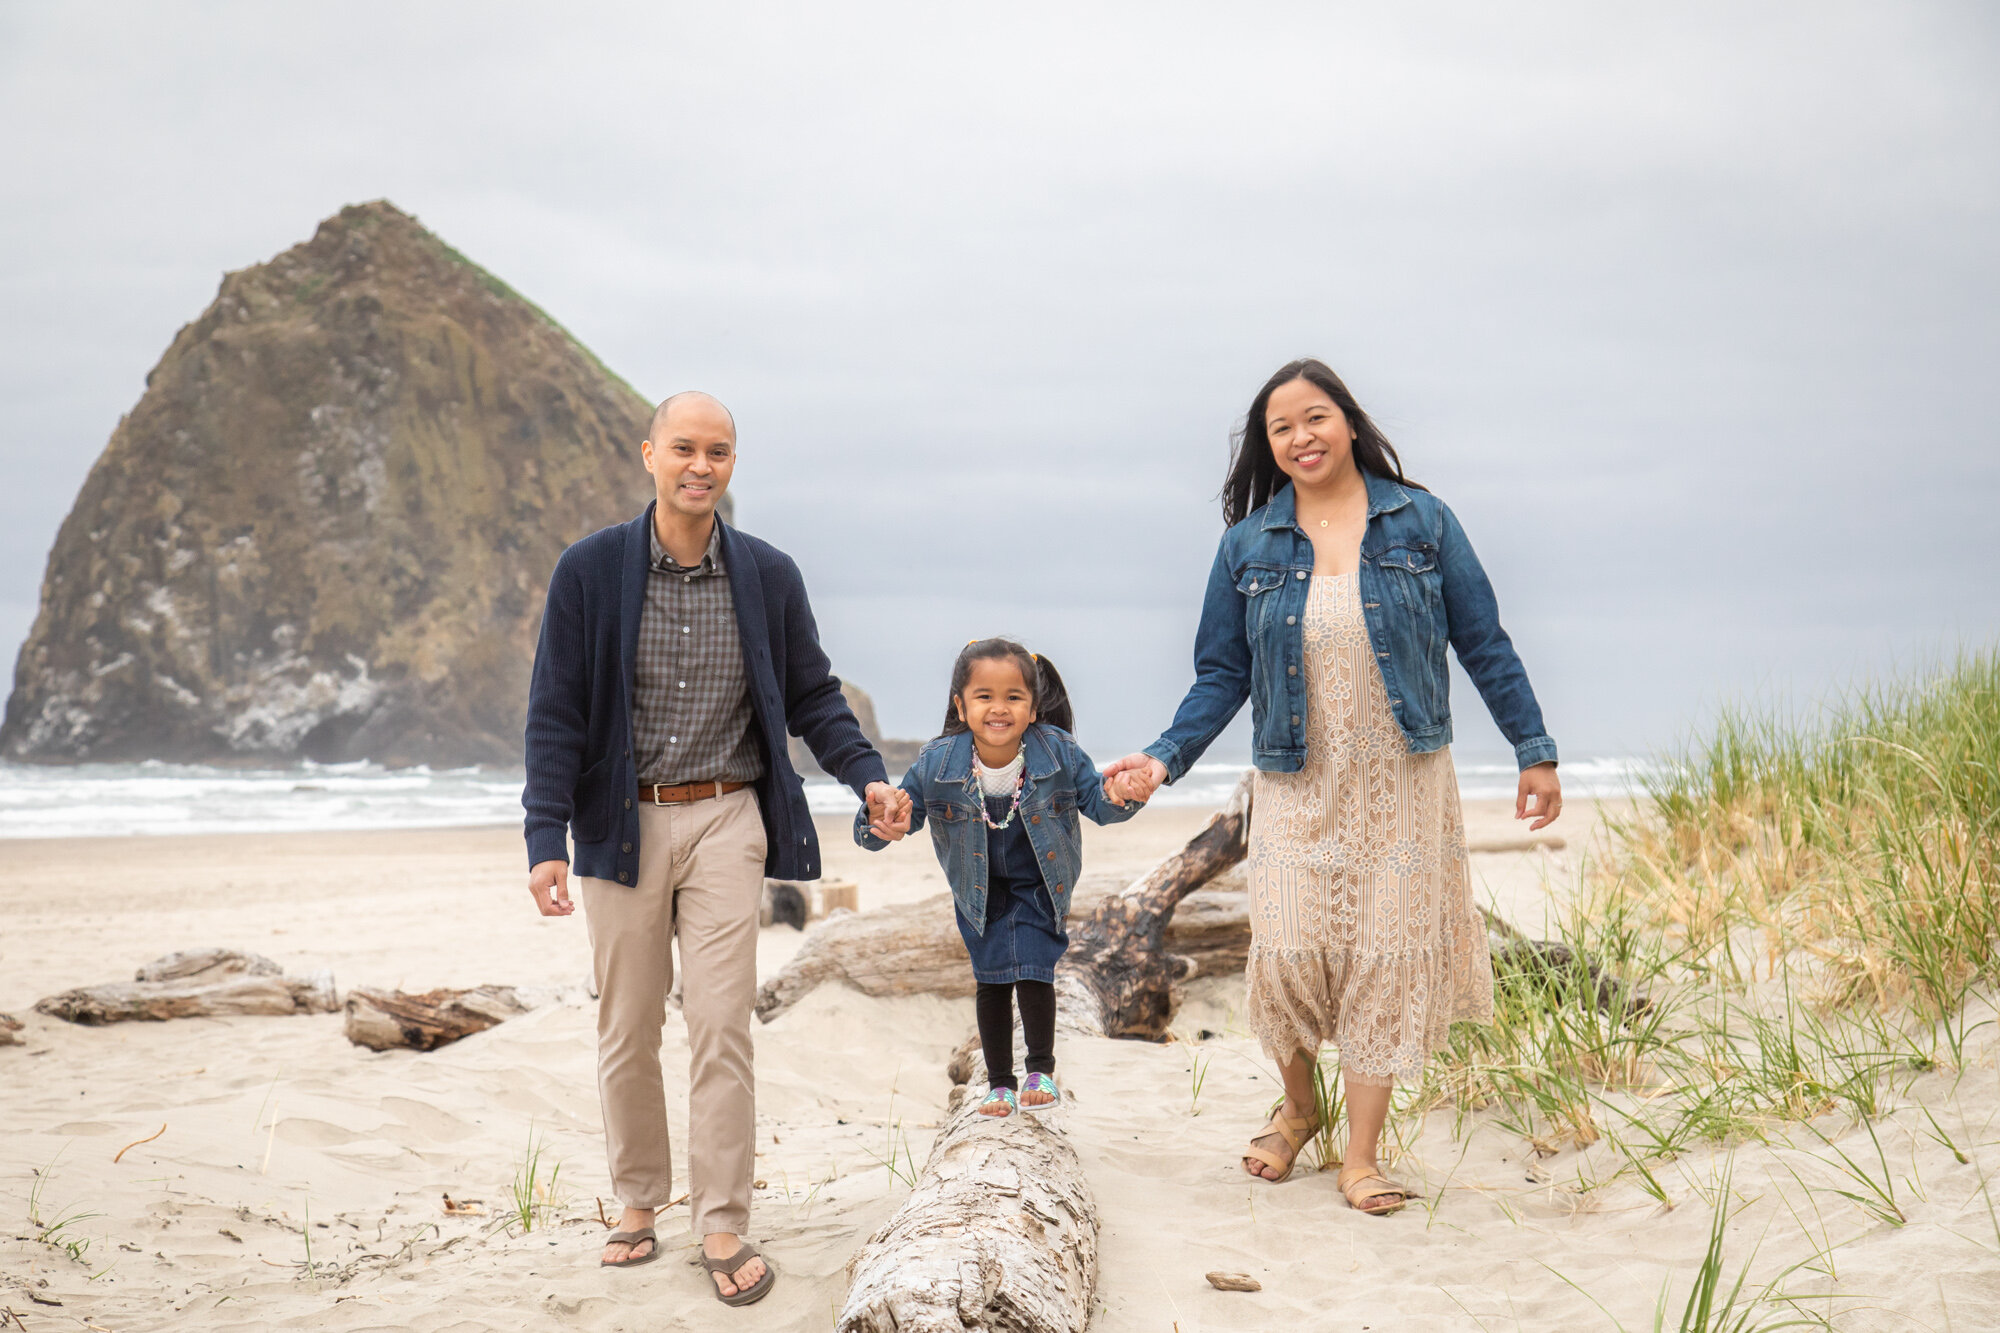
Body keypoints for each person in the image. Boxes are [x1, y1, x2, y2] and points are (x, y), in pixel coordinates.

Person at [1102, 359, 1561, 1215]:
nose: (1301, 436)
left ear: (1348, 422)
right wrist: (1164, 757)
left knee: (1383, 958)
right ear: (1269, 448)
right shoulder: (1248, 546)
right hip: (1297, 778)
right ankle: (1302, 1106)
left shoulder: (1422, 519)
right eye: (1281, 428)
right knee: (1286, 951)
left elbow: (1485, 641)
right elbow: (1219, 675)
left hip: (1403, 779)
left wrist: (1533, 749)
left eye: (1315, 417)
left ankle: (1361, 1155)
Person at [521, 391, 911, 1304]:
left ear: (733, 464)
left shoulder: (768, 575)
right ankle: (637, 1203)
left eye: (721, 451)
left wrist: (868, 776)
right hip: (621, 822)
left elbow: (814, 696)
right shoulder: (589, 570)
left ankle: (724, 1218)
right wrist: (545, 836)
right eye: (686, 448)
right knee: (627, 1024)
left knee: (722, 1021)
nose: (702, 465)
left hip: (729, 819)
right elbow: (556, 710)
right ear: (649, 453)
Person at [857, 639, 1142, 1116]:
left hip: (1038, 882)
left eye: (1014, 697)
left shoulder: (1059, 753)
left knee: (1033, 971)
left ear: (1033, 708)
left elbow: (1098, 803)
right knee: (990, 980)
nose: (998, 708)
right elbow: (899, 814)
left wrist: (1121, 795)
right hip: (978, 889)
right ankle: (999, 1084)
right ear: (961, 706)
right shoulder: (937, 762)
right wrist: (883, 822)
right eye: (984, 695)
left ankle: (1041, 1073)